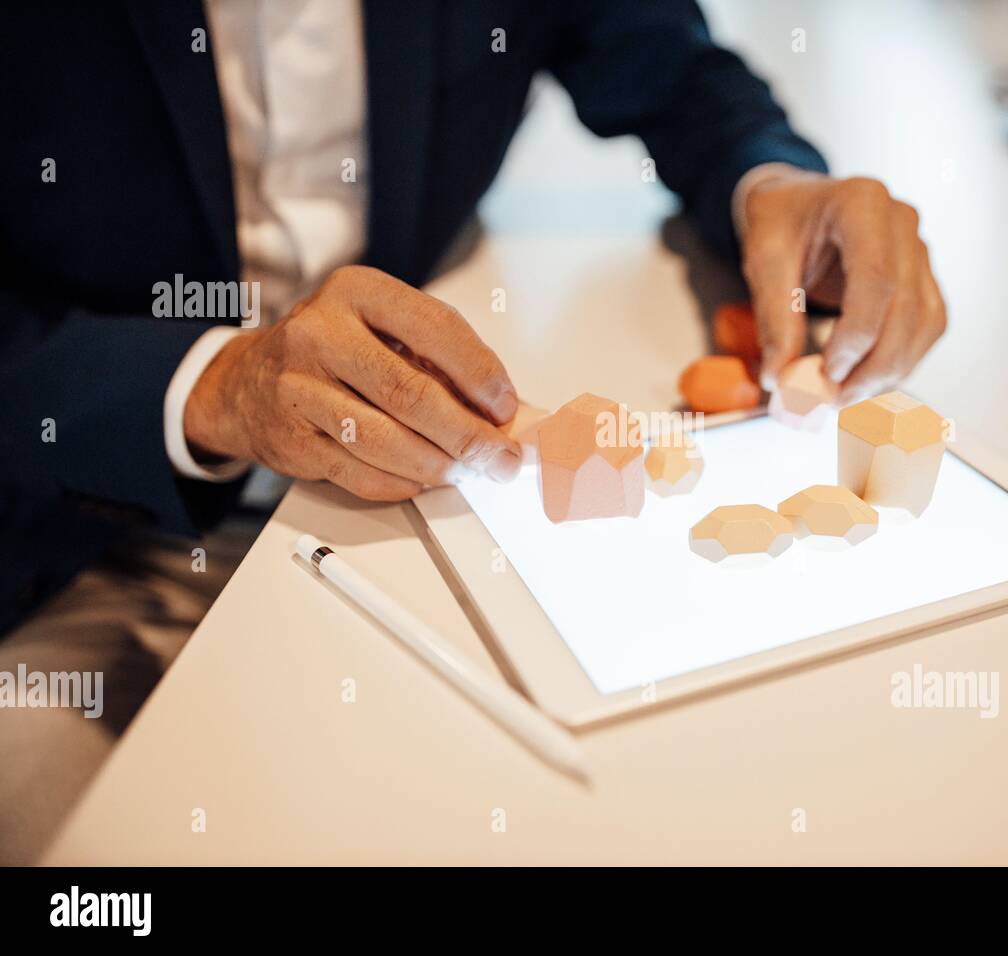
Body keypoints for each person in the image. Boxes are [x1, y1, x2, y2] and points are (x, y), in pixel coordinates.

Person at [0, 0, 945, 861]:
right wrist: (210, 387)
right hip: (87, 534)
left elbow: (667, 61)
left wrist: (768, 177)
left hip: (437, 523)